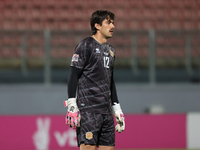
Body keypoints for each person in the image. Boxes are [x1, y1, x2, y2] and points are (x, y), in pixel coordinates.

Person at [63, 10, 125, 150]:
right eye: (108, 23)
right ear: (97, 25)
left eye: (113, 23)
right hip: (89, 110)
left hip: (107, 111)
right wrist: (72, 104)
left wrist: (117, 108)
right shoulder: (86, 46)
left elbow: (110, 80)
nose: (113, 26)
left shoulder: (111, 50)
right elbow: (73, 75)